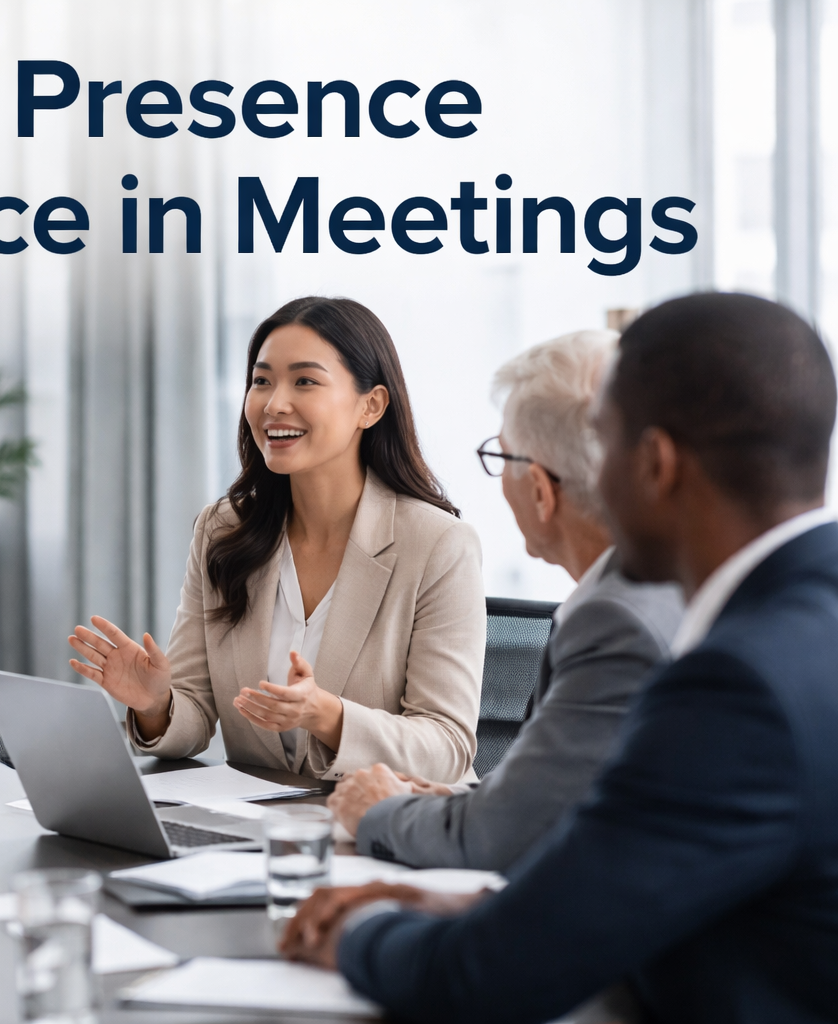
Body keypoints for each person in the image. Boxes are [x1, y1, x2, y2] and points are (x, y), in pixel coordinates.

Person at [281, 292, 838, 1023]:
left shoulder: (734, 687)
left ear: (655, 465)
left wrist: (356, 928)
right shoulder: (804, 622)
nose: (590, 480)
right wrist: (459, 906)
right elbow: (657, 881)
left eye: (603, 447)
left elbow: (482, 978)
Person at [69, 297, 484, 782]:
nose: (273, 403)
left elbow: (447, 745)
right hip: (261, 833)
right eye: (261, 381)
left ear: (370, 406)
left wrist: (326, 715)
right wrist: (155, 704)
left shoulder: (439, 545)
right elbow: (196, 716)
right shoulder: (223, 530)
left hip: (390, 830)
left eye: (305, 381)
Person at [329, 330, 683, 870]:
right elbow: (562, 803)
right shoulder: (660, 590)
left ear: (541, 491)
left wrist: (381, 812)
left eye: (500, 455)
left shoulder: (617, 620)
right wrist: (456, 804)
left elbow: (503, 840)